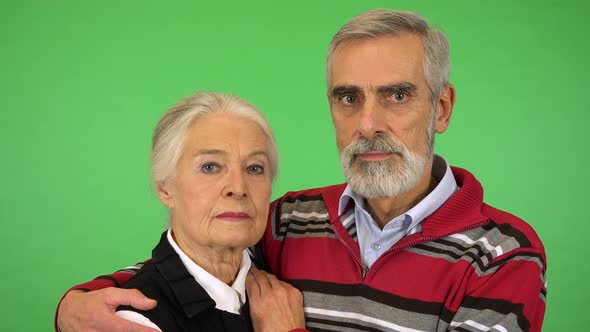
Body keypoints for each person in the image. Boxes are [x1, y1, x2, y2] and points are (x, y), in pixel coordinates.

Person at [56, 9, 547, 332]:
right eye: (348, 98)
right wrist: (76, 306)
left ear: (441, 107)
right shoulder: (291, 219)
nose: (368, 124)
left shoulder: (502, 257)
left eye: (397, 95)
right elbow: (200, 256)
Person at [64, 91, 305, 331]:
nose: (238, 188)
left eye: (254, 168)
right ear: (165, 189)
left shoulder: (283, 283)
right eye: (210, 167)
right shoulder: (133, 320)